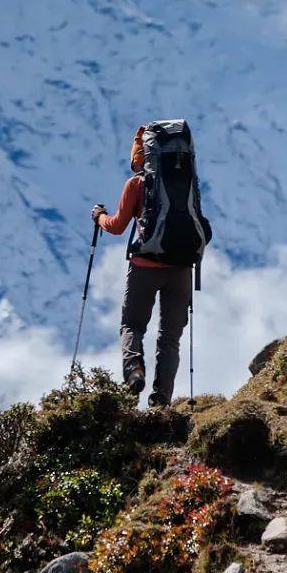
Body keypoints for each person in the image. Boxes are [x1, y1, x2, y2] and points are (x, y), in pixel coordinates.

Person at [91, 125, 191, 408]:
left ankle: (135, 371)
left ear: (142, 155)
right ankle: (161, 400)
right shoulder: (186, 180)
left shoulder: (137, 184)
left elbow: (117, 226)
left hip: (145, 267)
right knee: (170, 337)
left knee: (132, 325)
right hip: (181, 268)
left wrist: (99, 216)